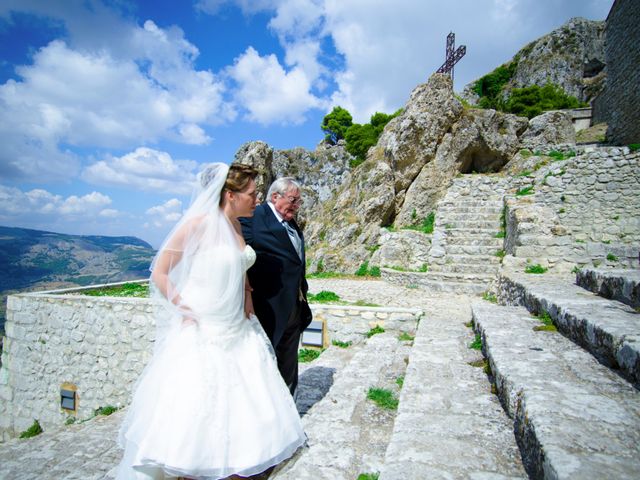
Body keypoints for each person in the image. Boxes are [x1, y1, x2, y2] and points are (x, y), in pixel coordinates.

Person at [116, 163, 306, 480]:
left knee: (243, 393)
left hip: (237, 322)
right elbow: (160, 272)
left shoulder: (235, 225)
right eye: (252, 194)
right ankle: (194, 464)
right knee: (200, 396)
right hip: (205, 322)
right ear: (230, 194)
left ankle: (240, 458)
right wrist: (184, 308)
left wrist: (246, 294)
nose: (256, 200)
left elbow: (240, 264)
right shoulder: (197, 224)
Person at [240, 177, 313, 398]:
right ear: (275, 196)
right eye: (293, 200)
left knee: (289, 362)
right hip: (266, 306)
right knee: (264, 361)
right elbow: (238, 256)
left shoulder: (291, 222)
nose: (296, 206)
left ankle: (289, 409)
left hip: (294, 305)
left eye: (299, 202)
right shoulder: (254, 217)